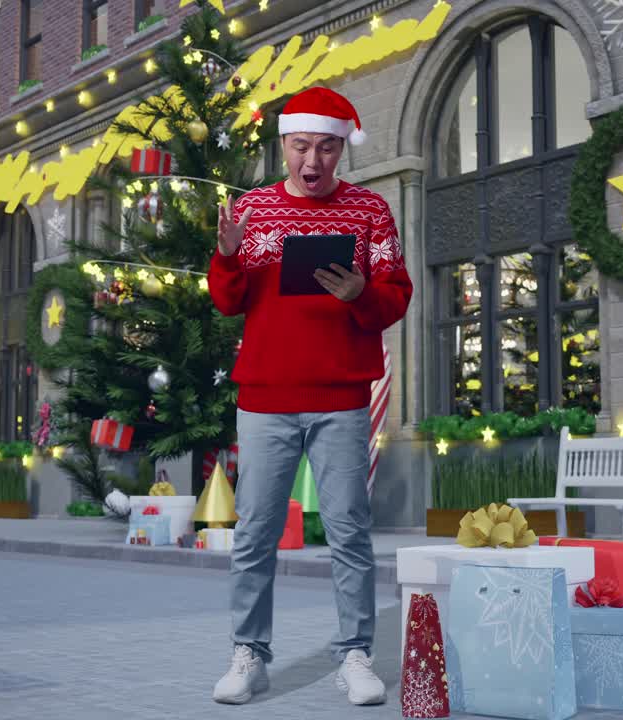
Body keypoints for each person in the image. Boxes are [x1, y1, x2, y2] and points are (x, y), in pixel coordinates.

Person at [207, 86, 413, 706]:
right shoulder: (255, 212)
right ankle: (249, 655)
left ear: (341, 149)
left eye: (326, 147)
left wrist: (360, 296)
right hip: (265, 397)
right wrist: (225, 254)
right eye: (302, 146)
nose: (313, 160)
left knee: (349, 531)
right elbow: (228, 302)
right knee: (255, 534)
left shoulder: (371, 212)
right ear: (285, 146)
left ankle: (355, 654)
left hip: (341, 396)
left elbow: (396, 297)